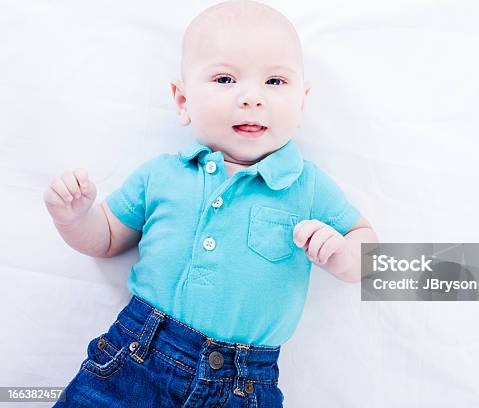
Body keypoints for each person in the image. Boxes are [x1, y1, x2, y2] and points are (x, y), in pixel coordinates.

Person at [43, 1, 378, 406]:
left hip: (243, 384)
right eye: (225, 79)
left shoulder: (306, 185)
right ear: (183, 101)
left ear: (302, 102)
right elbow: (108, 237)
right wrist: (75, 217)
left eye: (275, 82)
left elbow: (367, 245)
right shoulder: (163, 175)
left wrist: (342, 256)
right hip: (134, 358)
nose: (252, 98)